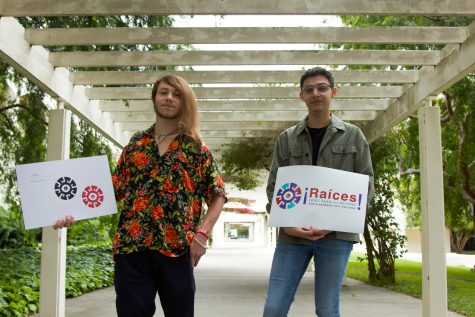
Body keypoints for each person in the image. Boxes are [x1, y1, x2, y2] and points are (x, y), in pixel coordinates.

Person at [55, 74, 226, 317]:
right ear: (154, 98)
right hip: (132, 249)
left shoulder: (196, 148)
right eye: (163, 92)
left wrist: (202, 233)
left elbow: (217, 194)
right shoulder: (136, 145)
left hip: (176, 249)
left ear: (185, 101)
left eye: (176, 94)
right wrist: (70, 211)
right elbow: (110, 190)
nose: (169, 98)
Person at [263, 67, 374, 317]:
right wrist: (287, 224)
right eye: (309, 89)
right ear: (301, 96)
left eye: (322, 88)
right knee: (274, 307)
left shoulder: (354, 136)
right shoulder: (286, 139)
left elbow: (365, 186)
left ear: (333, 92)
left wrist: (334, 224)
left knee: (326, 308)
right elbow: (274, 187)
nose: (316, 93)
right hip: (292, 236)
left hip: (335, 236)